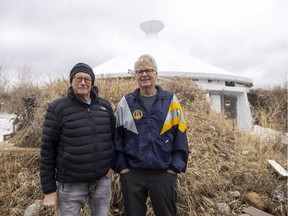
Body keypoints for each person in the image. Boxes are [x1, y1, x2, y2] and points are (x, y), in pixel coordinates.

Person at [114, 54, 189, 216]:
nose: (144, 75)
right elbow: (117, 137)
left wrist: (174, 167)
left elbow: (181, 135)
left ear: (156, 73)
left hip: (163, 173)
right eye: (139, 71)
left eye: (148, 70)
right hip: (132, 174)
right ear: (135, 76)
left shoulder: (171, 101)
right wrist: (123, 167)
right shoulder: (126, 102)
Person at [40, 62, 115, 216]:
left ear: (92, 83)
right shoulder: (57, 108)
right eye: (78, 78)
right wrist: (49, 190)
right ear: (71, 81)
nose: (82, 82)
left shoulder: (105, 107)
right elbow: (47, 150)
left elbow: (114, 138)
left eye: (87, 79)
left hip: (101, 180)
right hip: (70, 184)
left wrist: (112, 167)